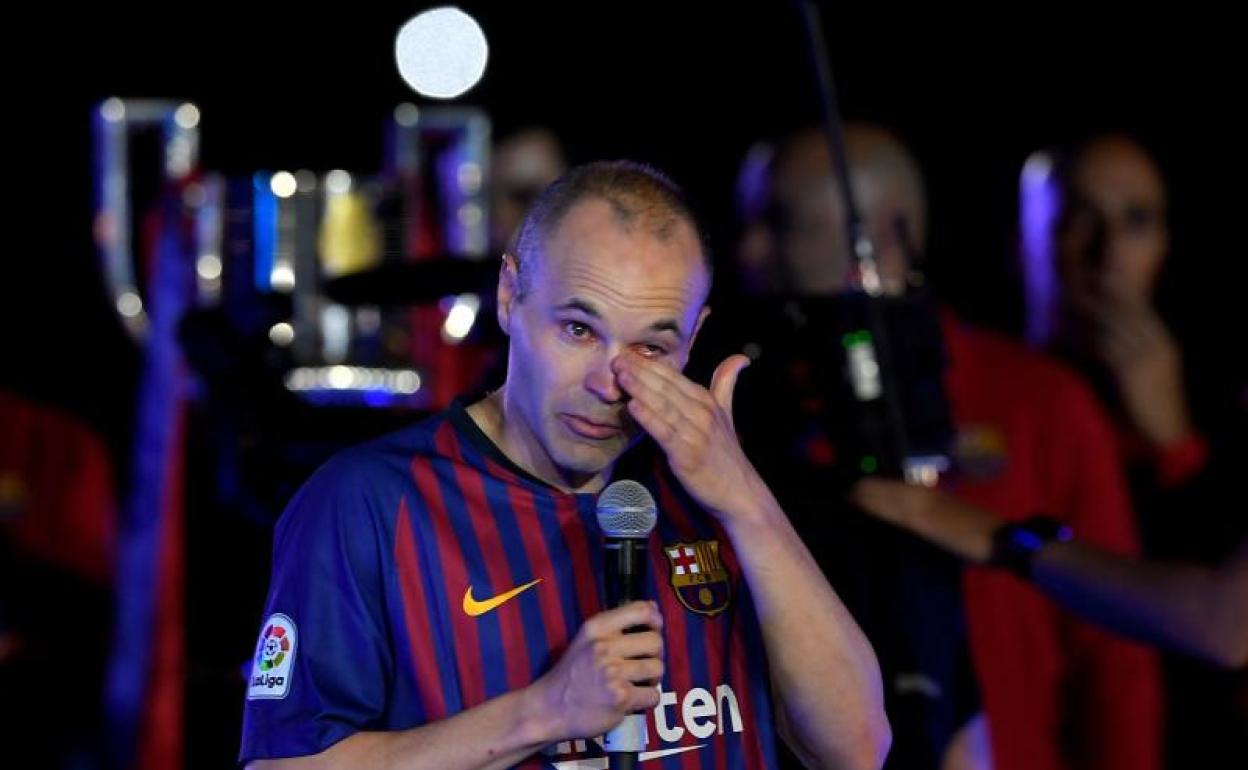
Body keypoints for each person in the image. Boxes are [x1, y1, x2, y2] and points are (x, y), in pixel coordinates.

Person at [241, 160, 890, 770]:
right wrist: (542, 712)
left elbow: (858, 747)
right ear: (508, 296)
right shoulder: (370, 501)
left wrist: (745, 500)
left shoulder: (720, 492)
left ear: (693, 339)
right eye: (579, 330)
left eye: (652, 347)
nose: (611, 383)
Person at [733, 124, 1162, 770]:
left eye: (779, 221)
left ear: (877, 233)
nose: (749, 247)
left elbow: (1116, 655)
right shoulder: (756, 412)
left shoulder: (1037, 399)